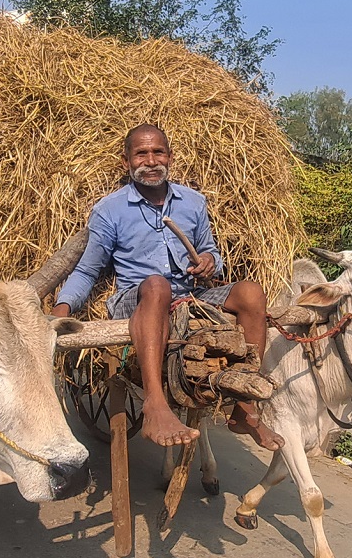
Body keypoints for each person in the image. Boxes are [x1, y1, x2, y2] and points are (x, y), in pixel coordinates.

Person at [52, 124, 283, 451]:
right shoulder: (110, 210)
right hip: (139, 299)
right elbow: (87, 270)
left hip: (190, 296)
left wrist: (208, 261)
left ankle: (244, 409)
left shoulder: (193, 202)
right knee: (157, 286)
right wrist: (60, 314)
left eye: (158, 152)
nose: (150, 161)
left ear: (170, 157)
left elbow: (211, 250)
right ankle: (155, 404)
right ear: (126, 162)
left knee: (251, 292)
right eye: (141, 154)